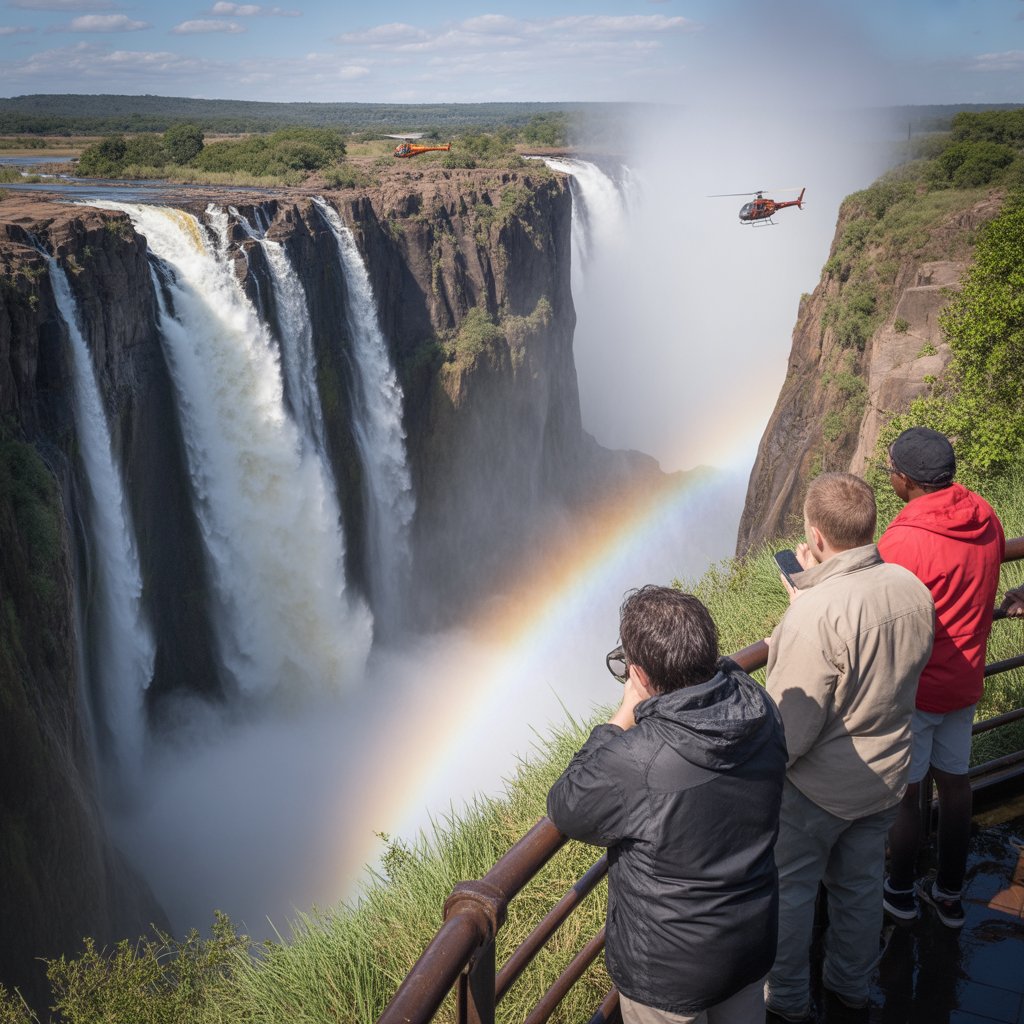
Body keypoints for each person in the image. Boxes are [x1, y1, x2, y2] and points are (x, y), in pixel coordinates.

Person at [547, 586, 787, 1024]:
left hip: (670, 976)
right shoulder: (760, 709)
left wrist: (622, 716)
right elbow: (727, 674)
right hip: (751, 943)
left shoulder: (638, 759)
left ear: (638, 673)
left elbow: (566, 806)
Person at [763, 473, 934, 1022]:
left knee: (791, 895)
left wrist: (802, 607)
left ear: (814, 536)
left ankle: (787, 1002)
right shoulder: (912, 588)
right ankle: (850, 990)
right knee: (860, 891)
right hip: (887, 776)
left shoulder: (814, 616)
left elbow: (789, 732)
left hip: (816, 791)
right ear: (871, 525)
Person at [879, 427, 1006, 929]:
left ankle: (900, 892)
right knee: (955, 784)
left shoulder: (903, 541)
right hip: (965, 679)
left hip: (917, 689)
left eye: (889, 469)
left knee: (908, 793)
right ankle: (951, 894)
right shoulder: (986, 515)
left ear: (905, 480)